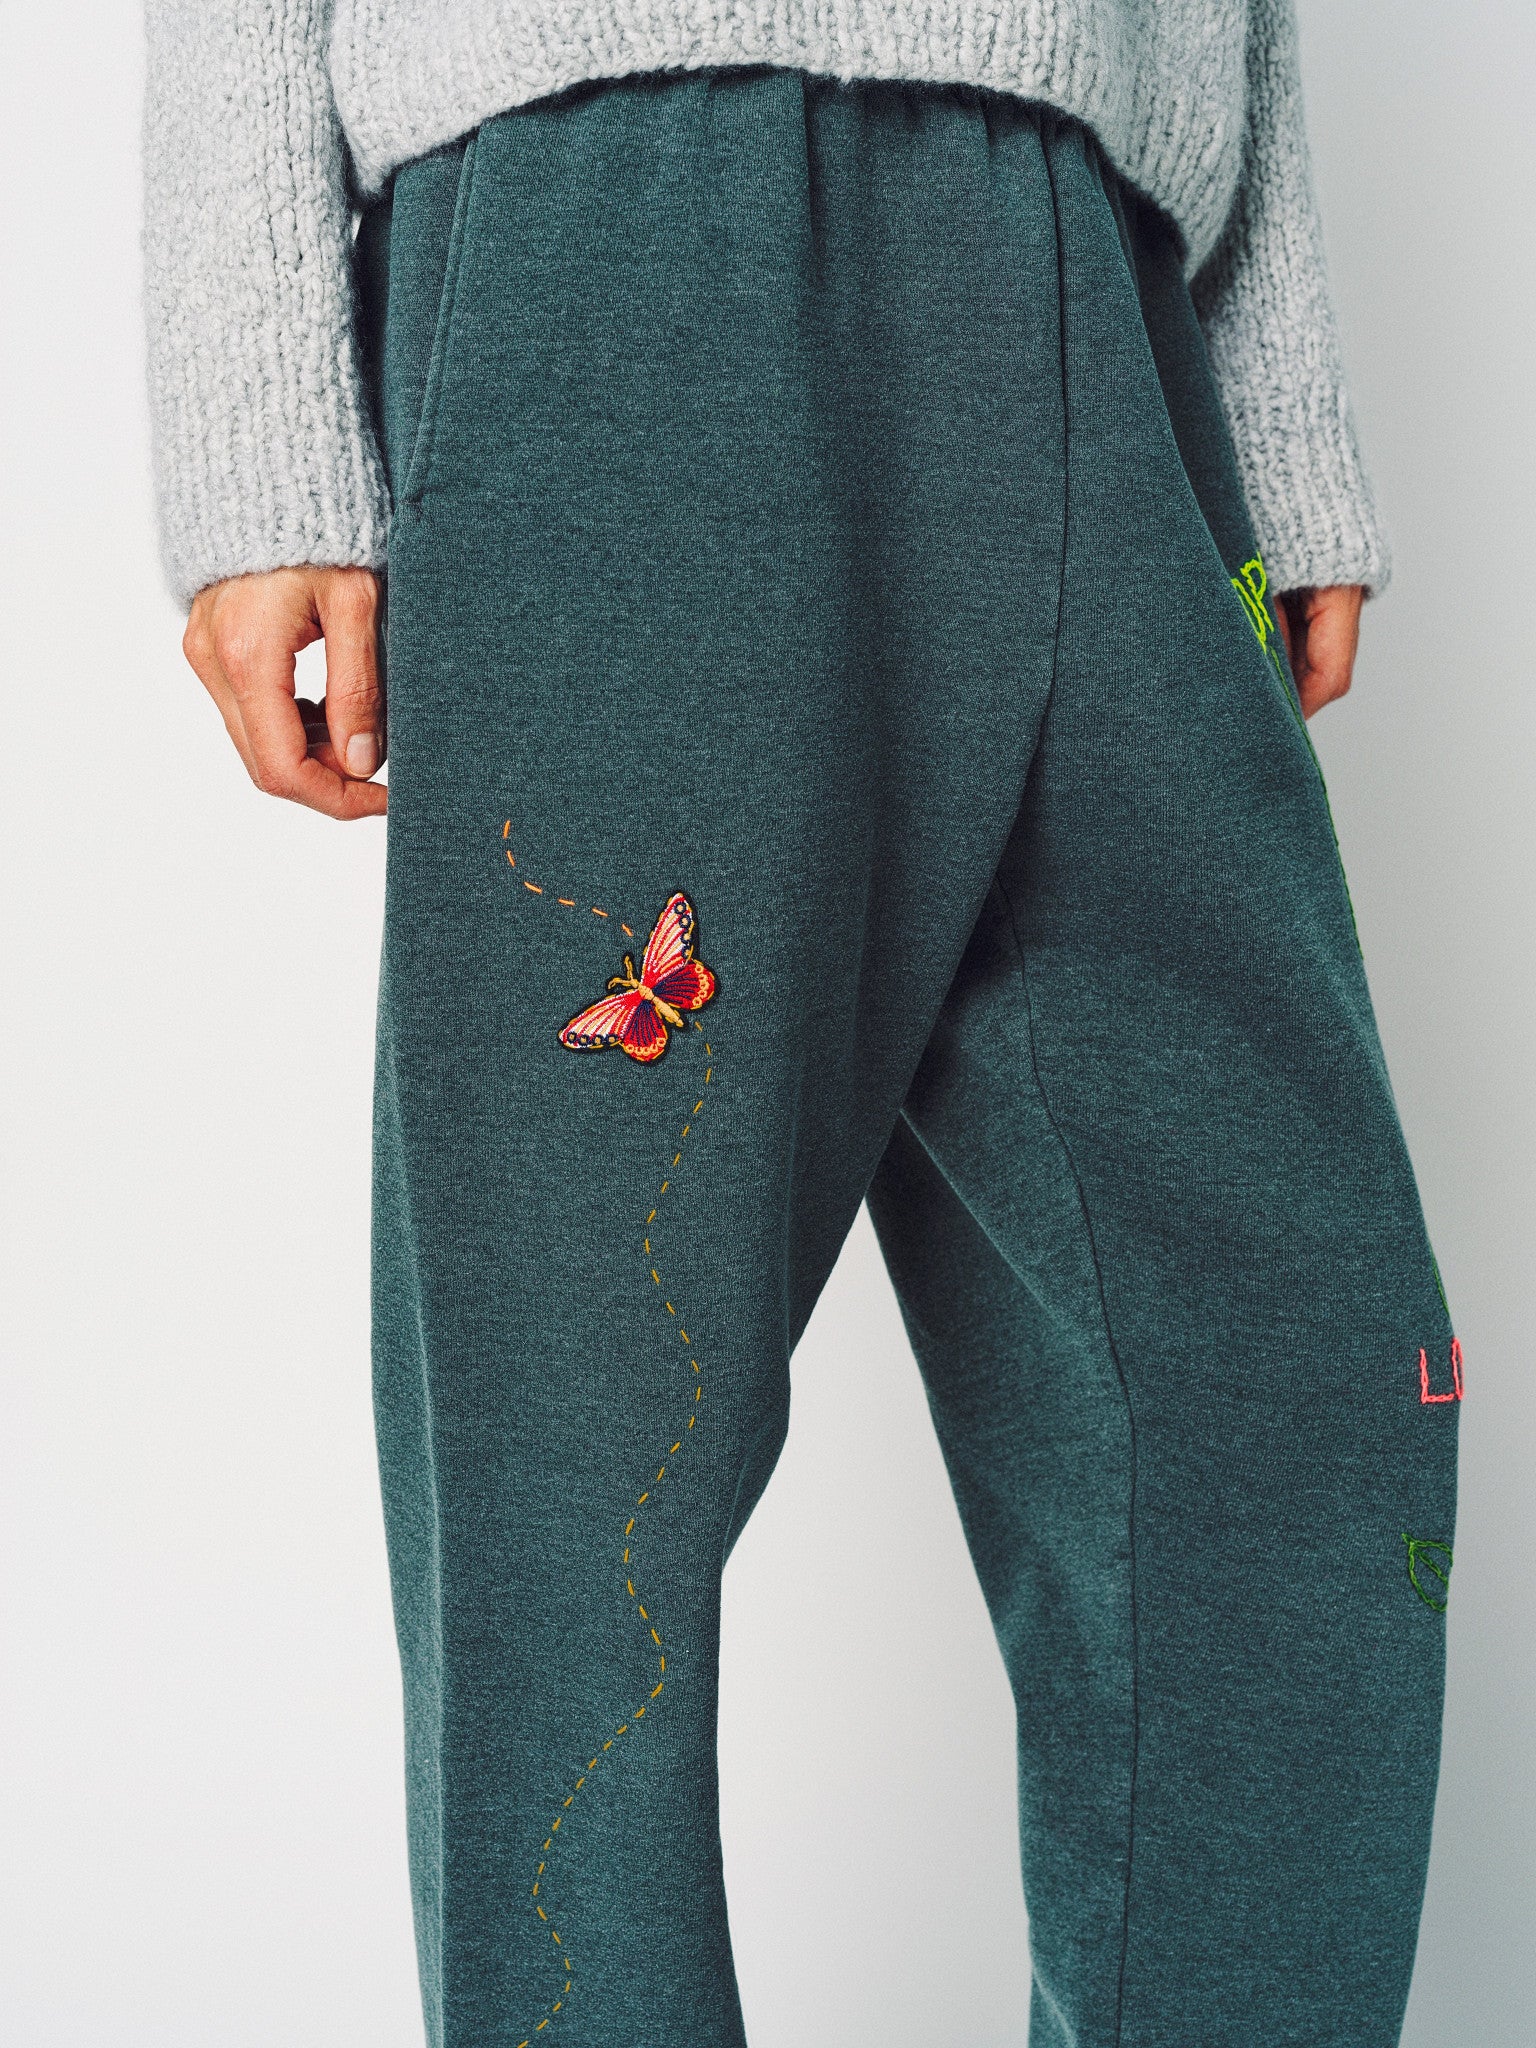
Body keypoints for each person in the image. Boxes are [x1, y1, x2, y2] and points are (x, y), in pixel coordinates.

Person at [143, 5, 1460, 2044]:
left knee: (1296, 1397)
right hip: (617, 236)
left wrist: (1271, 397)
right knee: (580, 1480)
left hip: (1116, 283)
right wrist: (254, 428)